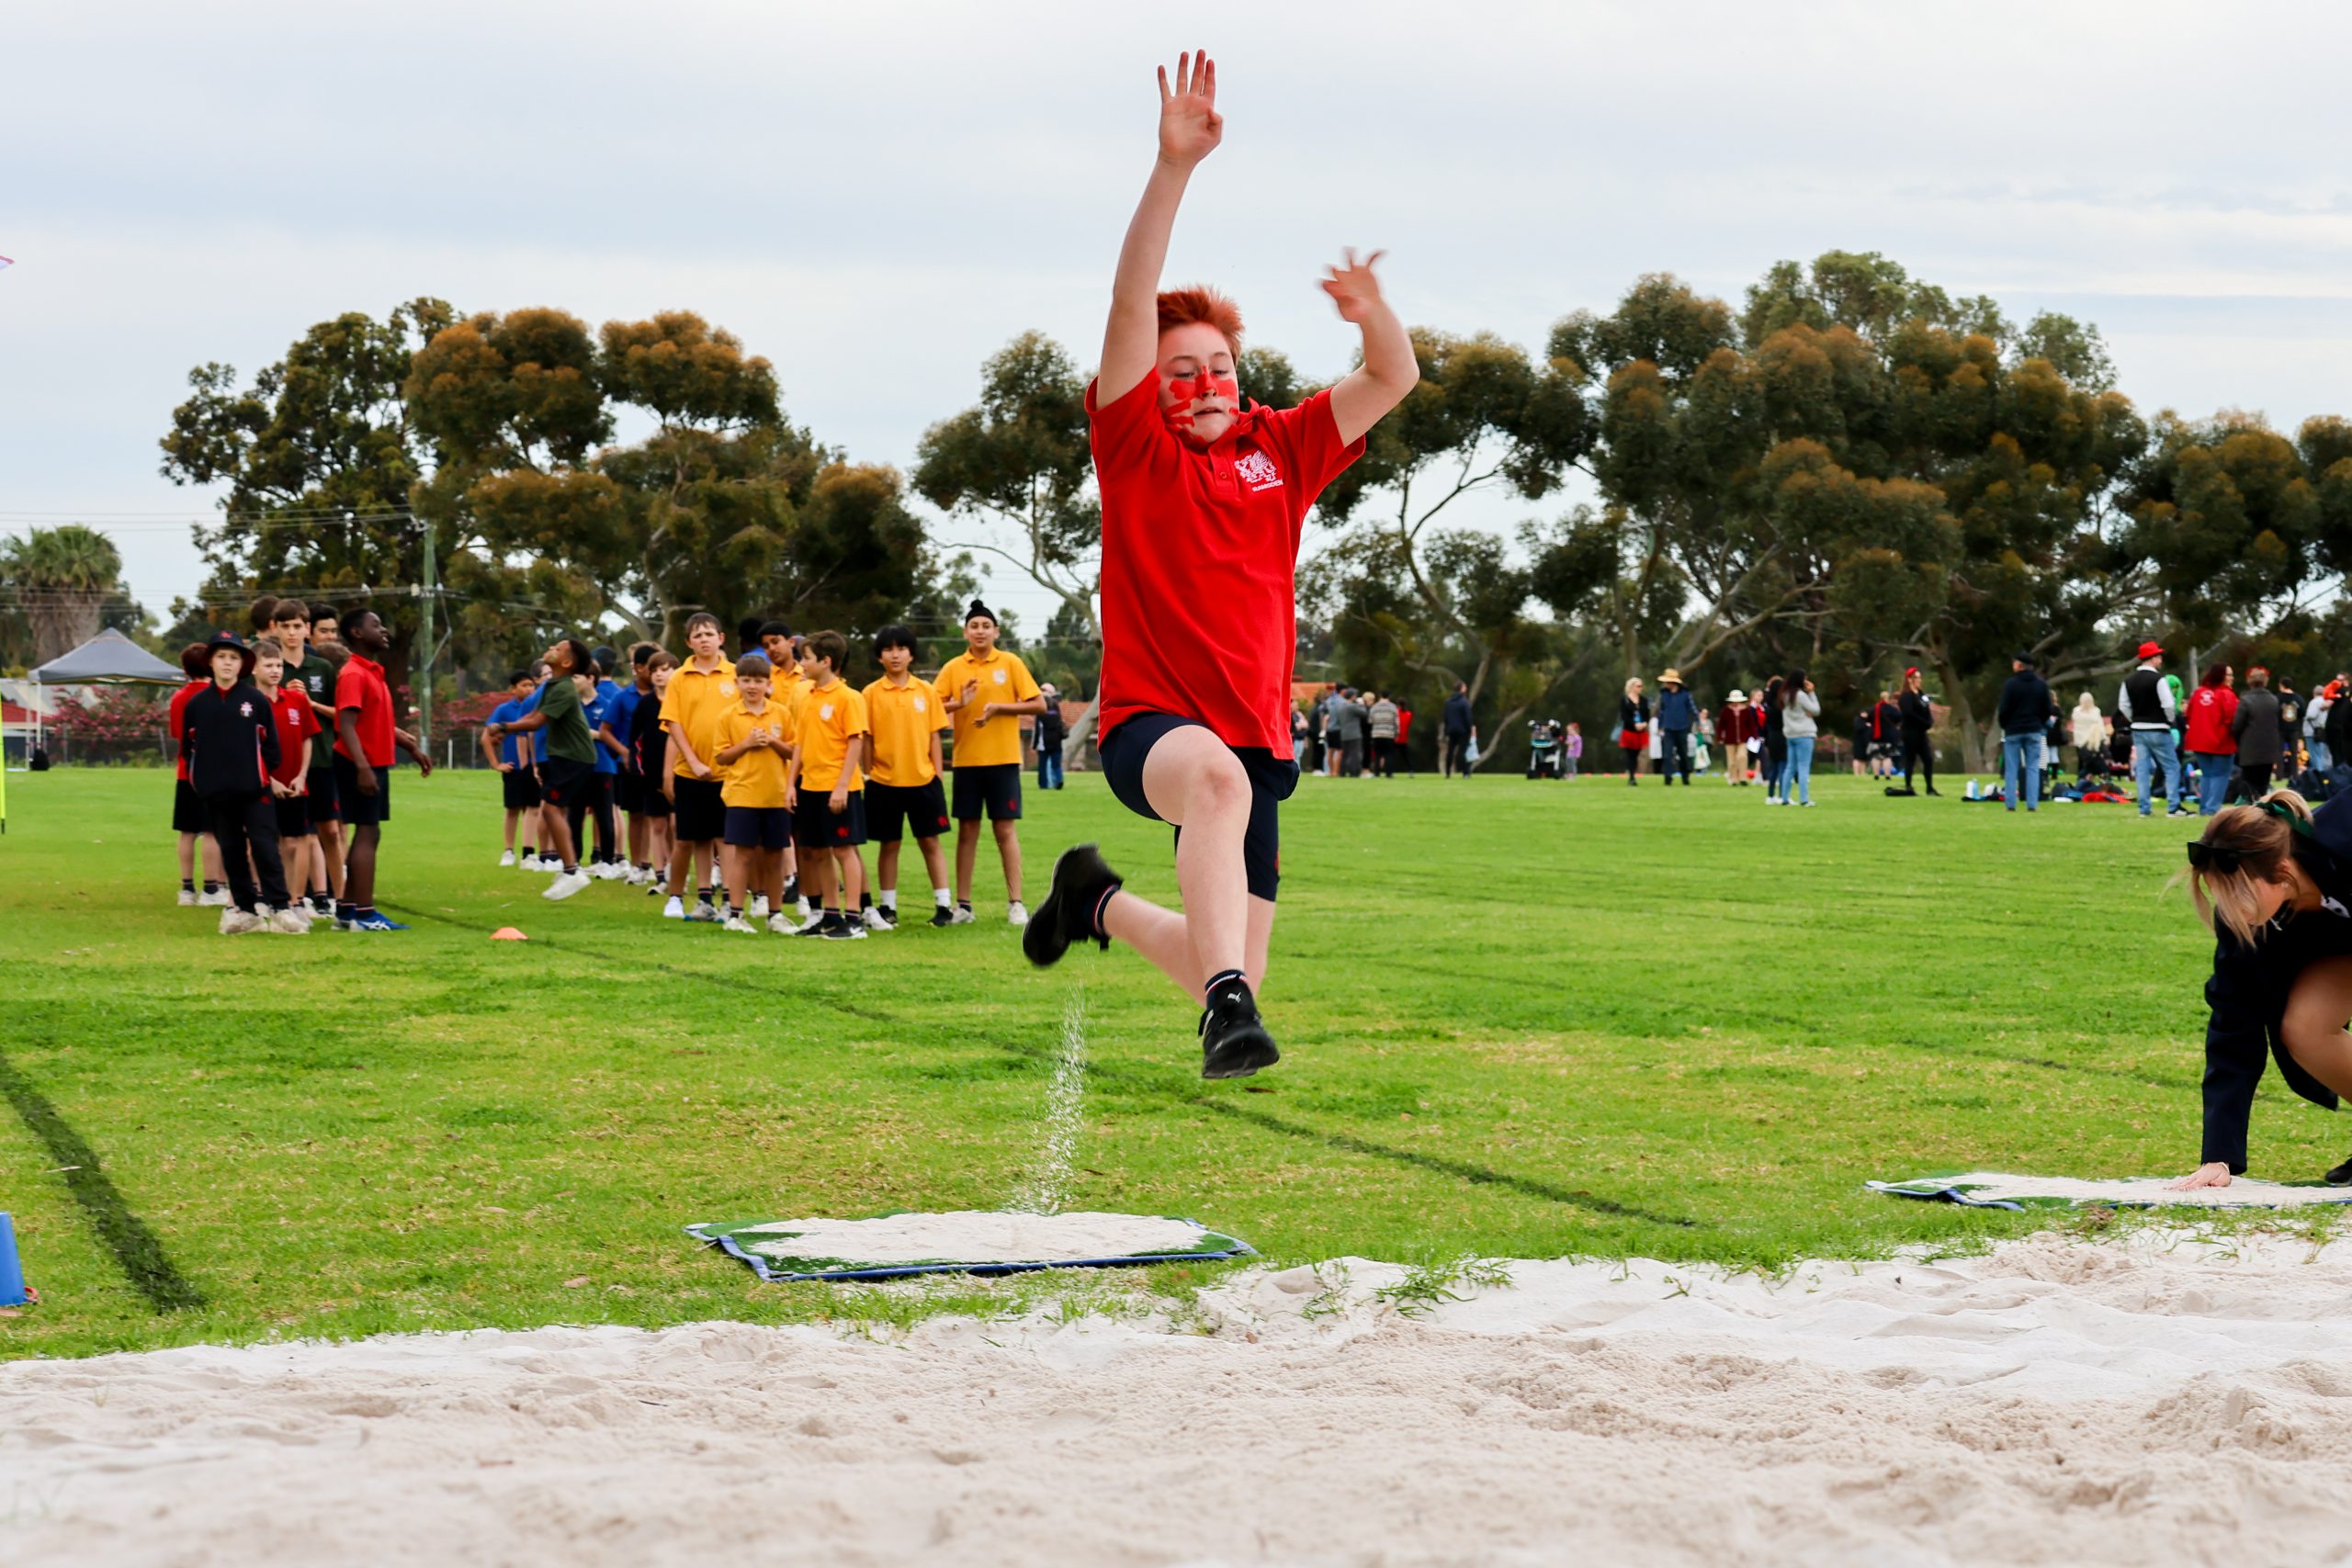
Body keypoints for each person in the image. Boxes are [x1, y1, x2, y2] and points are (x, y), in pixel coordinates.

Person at [1023, 50, 1413, 1080]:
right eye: (1179, 368)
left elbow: (1391, 375)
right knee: (1211, 786)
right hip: (1151, 731)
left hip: (1252, 739)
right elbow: (1126, 304)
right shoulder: (1133, 450)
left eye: (1219, 367)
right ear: (1149, 386)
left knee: (1226, 972)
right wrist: (1173, 168)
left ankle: (1091, 900)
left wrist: (1368, 308)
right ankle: (1221, 996)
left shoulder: (1278, 448)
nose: (1201, 381)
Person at [2170, 791, 2352, 1190]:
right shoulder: (2242, 923)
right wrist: (2218, 1156)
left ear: (2284, 870)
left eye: (2240, 891)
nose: (2229, 905)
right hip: (2339, 945)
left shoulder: (2345, 837)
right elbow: (2233, 1023)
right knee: (2305, 1028)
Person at [180, 631, 305, 934]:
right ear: (210, 662)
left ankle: (280, 907)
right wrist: (204, 782)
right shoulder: (197, 704)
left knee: (264, 845)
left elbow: (271, 747)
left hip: (254, 789)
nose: (227, 663)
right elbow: (188, 748)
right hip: (216, 793)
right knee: (232, 849)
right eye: (221, 657)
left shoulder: (255, 701)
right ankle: (246, 911)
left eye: (234, 658)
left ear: (242, 664)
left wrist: (259, 775)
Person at [935, 600, 1045, 926]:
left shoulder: (1010, 663)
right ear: (965, 632)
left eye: (986, 626)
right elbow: (929, 709)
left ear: (996, 631)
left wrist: (999, 707)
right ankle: (964, 906)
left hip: (1004, 760)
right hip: (967, 762)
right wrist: (960, 702)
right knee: (967, 831)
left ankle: (1016, 903)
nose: (980, 631)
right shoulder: (954, 668)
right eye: (974, 626)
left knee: (1004, 830)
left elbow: (1038, 704)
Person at [332, 610, 433, 931]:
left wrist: (411, 749)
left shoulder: (373, 672)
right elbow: (345, 725)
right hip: (358, 764)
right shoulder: (353, 674)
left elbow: (378, 724)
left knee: (368, 831)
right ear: (357, 633)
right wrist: (362, 768)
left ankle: (347, 912)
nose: (385, 629)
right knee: (367, 831)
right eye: (376, 625)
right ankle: (365, 914)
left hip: (373, 762)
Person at [484, 639, 598, 901]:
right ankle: (569, 868)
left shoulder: (564, 688)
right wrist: (507, 727)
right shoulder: (553, 685)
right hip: (563, 756)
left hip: (574, 757)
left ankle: (572, 871)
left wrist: (502, 728)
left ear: (567, 663)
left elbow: (535, 723)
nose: (550, 648)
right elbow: (531, 715)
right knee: (551, 809)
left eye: (558, 648)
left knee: (550, 809)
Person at [862, 624, 956, 930]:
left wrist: (937, 775)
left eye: (901, 648)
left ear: (911, 654)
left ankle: (944, 905)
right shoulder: (870, 694)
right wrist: (867, 773)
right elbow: (866, 739)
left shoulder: (926, 691)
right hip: (883, 782)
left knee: (930, 843)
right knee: (889, 845)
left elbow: (933, 736)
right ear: (880, 657)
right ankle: (887, 906)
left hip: (924, 781)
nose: (895, 655)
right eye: (888, 649)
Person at [788, 630, 871, 941]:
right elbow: (799, 744)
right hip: (810, 786)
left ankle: (854, 918)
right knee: (818, 851)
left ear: (826, 661)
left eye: (806, 658)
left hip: (840, 788)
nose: (801, 664)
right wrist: (791, 784)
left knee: (844, 850)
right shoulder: (806, 695)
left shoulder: (849, 698)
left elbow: (855, 742)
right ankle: (830, 915)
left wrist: (840, 787)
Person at [657, 614, 737, 922]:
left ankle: (730, 898)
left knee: (725, 837)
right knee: (689, 839)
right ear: (688, 642)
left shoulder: (734, 674)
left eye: (709, 633)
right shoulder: (679, 677)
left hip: (728, 772)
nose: (704, 639)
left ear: (721, 638)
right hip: (690, 771)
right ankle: (682, 897)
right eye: (697, 635)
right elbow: (673, 722)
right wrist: (692, 761)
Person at [709, 652, 795, 933]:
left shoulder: (781, 713)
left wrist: (772, 741)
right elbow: (721, 757)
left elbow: (794, 750)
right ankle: (735, 914)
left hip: (775, 794)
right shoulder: (727, 716)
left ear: (768, 684)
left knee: (774, 856)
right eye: (746, 680)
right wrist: (746, 744)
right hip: (741, 795)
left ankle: (775, 914)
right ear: (737, 683)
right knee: (742, 855)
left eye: (758, 681)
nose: (752, 686)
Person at [268, 600, 344, 916]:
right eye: (285, 626)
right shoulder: (268, 666)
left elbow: (342, 714)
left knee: (329, 830)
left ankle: (344, 900)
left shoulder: (323, 668)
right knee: (285, 835)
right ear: (275, 629)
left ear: (308, 630)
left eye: (297, 626)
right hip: (282, 765)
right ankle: (286, 900)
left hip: (321, 760)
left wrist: (310, 703)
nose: (292, 633)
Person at [253, 637, 320, 914]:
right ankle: (263, 897)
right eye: (268, 665)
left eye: (278, 664)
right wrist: (271, 780)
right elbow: (249, 747)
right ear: (254, 669)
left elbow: (307, 737)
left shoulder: (295, 700)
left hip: (295, 784)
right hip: (263, 785)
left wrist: (302, 775)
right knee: (262, 842)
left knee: (296, 841)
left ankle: (296, 899)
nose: (275, 670)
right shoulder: (250, 704)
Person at [166, 641, 228, 907]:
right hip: (214, 772)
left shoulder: (179, 697)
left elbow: (176, 734)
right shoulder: (218, 695)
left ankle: (187, 889)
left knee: (187, 831)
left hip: (185, 771)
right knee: (213, 831)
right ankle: (212, 889)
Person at [482, 670, 545, 867]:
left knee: (533, 808)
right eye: (524, 685)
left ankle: (529, 852)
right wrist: (495, 763)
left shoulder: (538, 708)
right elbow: (486, 736)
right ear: (513, 688)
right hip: (513, 767)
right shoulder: (504, 709)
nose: (528, 689)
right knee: (512, 809)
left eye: (531, 685)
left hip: (534, 766)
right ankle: (509, 851)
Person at [2119, 640, 2187, 818]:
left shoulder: (2129, 680)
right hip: (2158, 728)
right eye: (2159, 656)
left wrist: (2135, 718)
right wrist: (2169, 720)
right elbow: (2169, 704)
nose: (2161, 659)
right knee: (2171, 767)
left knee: (2142, 769)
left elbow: (2123, 705)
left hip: (2139, 729)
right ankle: (2173, 807)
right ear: (2153, 658)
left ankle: (2144, 808)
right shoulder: (2159, 679)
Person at [631, 651, 678, 896]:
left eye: (665, 669)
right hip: (651, 776)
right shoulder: (645, 704)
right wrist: (640, 772)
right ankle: (660, 875)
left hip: (681, 774)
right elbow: (635, 740)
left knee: (677, 824)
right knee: (657, 825)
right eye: (655, 670)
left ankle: (676, 870)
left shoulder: (683, 702)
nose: (659, 674)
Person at [1995, 651, 2055, 812]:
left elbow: (2004, 709)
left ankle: (2010, 804)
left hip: (2013, 731)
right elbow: (2047, 709)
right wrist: (2039, 723)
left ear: (2019, 665)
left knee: (2011, 768)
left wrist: (2005, 725)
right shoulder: (2041, 685)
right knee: (2033, 768)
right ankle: (2032, 804)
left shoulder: (2010, 685)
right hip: (2034, 730)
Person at [2186, 661, 2240, 816]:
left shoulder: (2198, 693)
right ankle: (2212, 808)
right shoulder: (2226, 694)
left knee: (2207, 775)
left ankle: (2204, 808)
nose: (2232, 678)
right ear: (2221, 676)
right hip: (2221, 741)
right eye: (2229, 675)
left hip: (2199, 741)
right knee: (2220, 776)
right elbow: (2232, 718)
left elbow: (2188, 715)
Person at [2233, 666, 2284, 803]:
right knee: (2263, 784)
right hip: (2269, 750)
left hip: (2250, 750)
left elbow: (2237, 726)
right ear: (2265, 681)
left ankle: (2246, 811)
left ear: (2249, 681)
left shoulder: (2245, 701)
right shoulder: (2273, 700)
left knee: (2248, 784)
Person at [1891, 668, 1937, 796]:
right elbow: (1908, 713)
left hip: (1921, 733)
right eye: (1917, 677)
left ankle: (1929, 788)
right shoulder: (1906, 696)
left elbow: (1926, 708)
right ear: (1909, 679)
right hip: (1910, 732)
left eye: (1920, 677)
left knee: (1927, 759)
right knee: (1910, 760)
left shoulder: (1921, 694)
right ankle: (1908, 786)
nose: (1919, 680)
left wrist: (1929, 721)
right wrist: (1923, 722)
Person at [1779, 670, 1820, 807]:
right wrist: (1812, 693)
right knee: (1803, 767)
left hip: (1790, 734)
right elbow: (1815, 710)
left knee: (1790, 767)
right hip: (1804, 733)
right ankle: (1804, 799)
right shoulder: (1801, 695)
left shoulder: (1784, 695)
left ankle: (1784, 797)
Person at [1652, 670, 1695, 784]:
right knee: (1667, 755)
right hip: (1669, 728)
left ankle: (1685, 777)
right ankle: (1668, 778)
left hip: (1682, 728)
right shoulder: (1664, 694)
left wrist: (1698, 722)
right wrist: (1660, 725)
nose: (1666, 684)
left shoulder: (1685, 694)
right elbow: (1662, 711)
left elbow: (1692, 709)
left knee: (1683, 754)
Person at [1714, 688, 1752, 786]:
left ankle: (1743, 777)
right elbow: (1721, 725)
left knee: (1742, 756)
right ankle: (1733, 779)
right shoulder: (1726, 711)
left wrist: (1754, 735)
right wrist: (1719, 737)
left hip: (1743, 739)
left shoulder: (1746, 711)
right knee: (1731, 761)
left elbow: (1751, 724)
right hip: (1729, 740)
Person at [1616, 677, 1650, 786]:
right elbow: (1624, 716)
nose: (1641, 688)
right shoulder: (1624, 700)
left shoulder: (1644, 700)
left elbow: (1647, 714)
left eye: (1641, 686)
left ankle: (1632, 773)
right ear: (1631, 687)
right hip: (1629, 731)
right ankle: (1631, 777)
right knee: (1630, 754)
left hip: (1641, 732)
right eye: (1638, 686)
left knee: (1636, 755)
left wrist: (1644, 723)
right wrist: (1634, 724)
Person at [1036, 682, 1069, 790]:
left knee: (1042, 767)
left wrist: (1035, 744)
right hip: (1056, 742)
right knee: (1056, 765)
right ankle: (1058, 781)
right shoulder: (1056, 707)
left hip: (1044, 744)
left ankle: (1043, 784)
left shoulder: (1040, 709)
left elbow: (1038, 727)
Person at [2069, 691, 2107, 779]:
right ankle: (2093, 775)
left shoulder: (2076, 711)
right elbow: (2100, 725)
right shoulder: (2096, 711)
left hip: (2079, 740)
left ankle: (2081, 777)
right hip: (2092, 740)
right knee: (2093, 759)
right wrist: (2103, 738)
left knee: (2081, 760)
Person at [1441, 681, 1474, 778]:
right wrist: (1469, 729)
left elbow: (1445, 717)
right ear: (1461, 689)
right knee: (1464, 752)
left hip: (1451, 730)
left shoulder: (1448, 702)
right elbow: (1468, 717)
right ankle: (1465, 772)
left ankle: (1447, 772)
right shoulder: (1464, 702)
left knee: (1450, 751)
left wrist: (1446, 730)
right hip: (1463, 731)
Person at [1368, 690, 1400, 777]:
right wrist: (1397, 733)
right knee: (1389, 754)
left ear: (1380, 695)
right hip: (1389, 734)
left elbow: (1370, 720)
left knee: (1378, 754)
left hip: (1377, 733)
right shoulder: (1393, 707)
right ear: (1389, 696)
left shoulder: (1374, 707)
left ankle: (1377, 773)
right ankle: (1389, 773)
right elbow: (1396, 722)